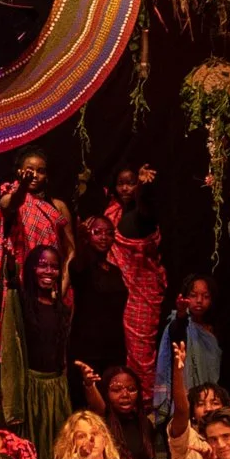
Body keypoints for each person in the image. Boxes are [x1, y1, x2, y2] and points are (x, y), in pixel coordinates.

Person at [0, 145, 74, 370]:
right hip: (19, 289)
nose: (35, 175)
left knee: (48, 355)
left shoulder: (57, 207)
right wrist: (22, 188)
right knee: (18, 352)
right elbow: (9, 204)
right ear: (19, 172)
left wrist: (62, 287)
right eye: (30, 170)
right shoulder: (11, 196)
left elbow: (71, 251)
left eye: (40, 170)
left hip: (52, 289)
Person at [84, 165, 162, 398]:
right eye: (122, 183)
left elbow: (145, 210)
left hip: (142, 294)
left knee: (141, 355)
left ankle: (144, 404)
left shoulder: (140, 216)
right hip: (114, 294)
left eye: (132, 183)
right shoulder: (111, 214)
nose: (126, 187)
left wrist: (144, 191)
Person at [1, 243, 74, 459]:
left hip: (56, 388)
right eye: (42, 266)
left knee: (57, 448)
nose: (49, 271)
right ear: (32, 269)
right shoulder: (23, 303)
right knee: (35, 449)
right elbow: (12, 280)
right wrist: (11, 260)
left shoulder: (61, 309)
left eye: (54, 267)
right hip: (32, 388)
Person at [153, 276, 221, 421]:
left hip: (208, 398)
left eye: (205, 296)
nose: (199, 300)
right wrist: (181, 314)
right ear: (185, 297)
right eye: (193, 295)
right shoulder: (178, 323)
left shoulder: (212, 330)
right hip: (183, 395)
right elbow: (177, 333)